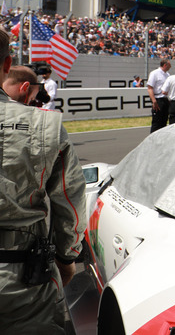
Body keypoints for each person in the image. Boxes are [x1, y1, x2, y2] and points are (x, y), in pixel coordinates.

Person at [0, 29, 86, 333]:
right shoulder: (44, 125)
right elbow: (70, 200)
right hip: (22, 277)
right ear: (7, 63)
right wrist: (66, 258)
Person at [146, 58, 171, 132]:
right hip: (158, 99)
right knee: (157, 122)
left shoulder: (167, 74)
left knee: (164, 121)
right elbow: (150, 88)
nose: (170, 67)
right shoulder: (154, 73)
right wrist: (154, 101)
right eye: (169, 65)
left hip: (165, 99)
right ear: (165, 65)